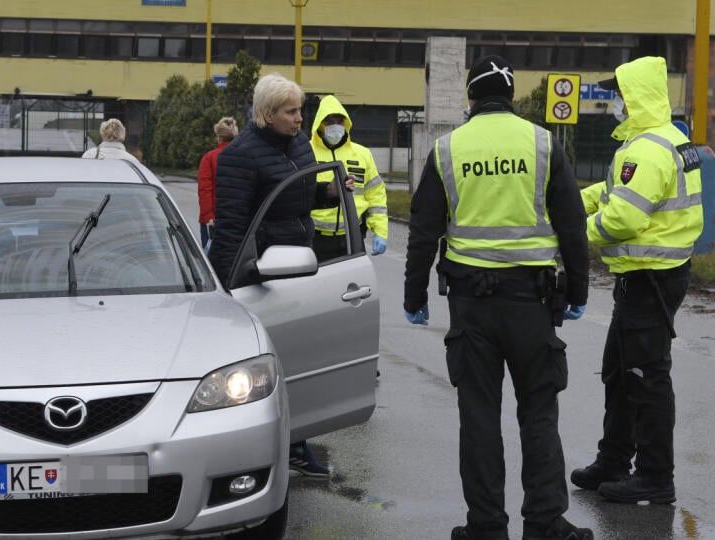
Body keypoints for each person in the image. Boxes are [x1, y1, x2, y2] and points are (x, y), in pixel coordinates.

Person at [403, 55, 592, 540]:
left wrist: (414, 294)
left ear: (470, 97)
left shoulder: (448, 149)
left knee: (479, 418)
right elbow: (572, 225)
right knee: (539, 414)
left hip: (472, 308)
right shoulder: (543, 143)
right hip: (532, 304)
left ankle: (486, 527)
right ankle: (546, 523)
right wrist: (578, 289)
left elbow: (423, 230)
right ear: (510, 96)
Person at [570, 56, 703, 505]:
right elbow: (614, 194)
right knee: (620, 373)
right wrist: (571, 198)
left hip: (650, 277)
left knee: (645, 378)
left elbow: (623, 218)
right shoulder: (666, 140)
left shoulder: (646, 149)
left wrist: (571, 235)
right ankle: (613, 461)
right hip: (649, 277)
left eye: (620, 94)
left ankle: (654, 476)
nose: (615, 103)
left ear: (638, 96)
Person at [209, 72, 350, 478]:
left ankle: (295, 443)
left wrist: (330, 192)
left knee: (300, 358)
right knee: (265, 366)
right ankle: (254, 452)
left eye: (300, 110)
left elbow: (302, 194)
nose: (300, 119)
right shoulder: (240, 156)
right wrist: (228, 287)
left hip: (300, 264)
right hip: (264, 275)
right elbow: (232, 228)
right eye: (292, 111)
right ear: (268, 114)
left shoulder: (300, 145)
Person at [309, 95, 388, 261]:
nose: (335, 126)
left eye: (339, 121)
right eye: (329, 121)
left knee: (351, 286)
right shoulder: (306, 152)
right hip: (314, 240)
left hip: (352, 237)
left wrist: (380, 232)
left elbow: (376, 197)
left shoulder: (362, 154)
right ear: (320, 125)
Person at [197, 117, 239, 251]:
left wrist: (208, 217)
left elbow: (205, 190)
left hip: (213, 219)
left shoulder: (209, 158)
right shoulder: (243, 156)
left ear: (219, 137)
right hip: (237, 219)